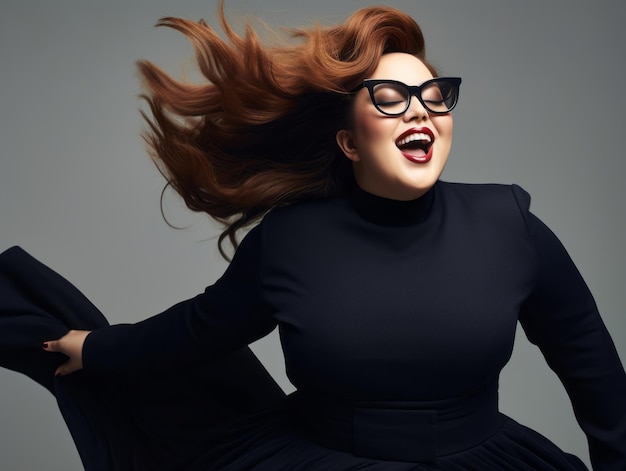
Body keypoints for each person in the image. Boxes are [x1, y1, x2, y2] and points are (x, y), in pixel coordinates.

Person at [1, 2, 624, 470]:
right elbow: (198, 331)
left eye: (434, 96)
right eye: (390, 96)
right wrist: (98, 349)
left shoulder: (510, 225)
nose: (420, 109)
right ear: (349, 142)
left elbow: (591, 366)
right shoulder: (292, 240)